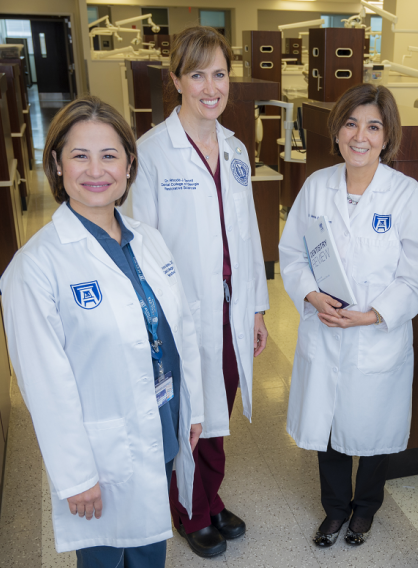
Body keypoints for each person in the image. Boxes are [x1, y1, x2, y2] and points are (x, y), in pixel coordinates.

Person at [0, 96, 204, 567]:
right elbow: (46, 385)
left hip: (161, 427)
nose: (97, 170)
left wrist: (193, 410)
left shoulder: (147, 240)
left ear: (130, 165)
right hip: (101, 458)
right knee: (106, 560)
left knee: (151, 552)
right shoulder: (36, 268)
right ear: (56, 163)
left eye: (110, 155)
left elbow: (180, 332)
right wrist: (75, 476)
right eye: (80, 155)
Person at [128, 26, 269, 558]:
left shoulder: (234, 149)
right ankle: (189, 510)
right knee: (189, 413)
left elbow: (250, 233)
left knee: (219, 409)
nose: (211, 86)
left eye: (219, 74)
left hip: (232, 309)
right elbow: (142, 245)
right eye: (197, 74)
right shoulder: (153, 153)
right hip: (182, 314)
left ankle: (208, 497)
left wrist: (256, 307)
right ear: (176, 81)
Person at [279, 83, 418, 547]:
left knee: (373, 431)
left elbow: (415, 280)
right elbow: (292, 254)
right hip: (325, 331)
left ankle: (364, 511)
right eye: (351, 124)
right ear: (337, 131)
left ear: (387, 136)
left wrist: (370, 317)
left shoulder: (407, 195)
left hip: (375, 338)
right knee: (328, 429)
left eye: (372, 126)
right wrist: (310, 295)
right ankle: (334, 511)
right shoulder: (316, 186)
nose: (360, 136)